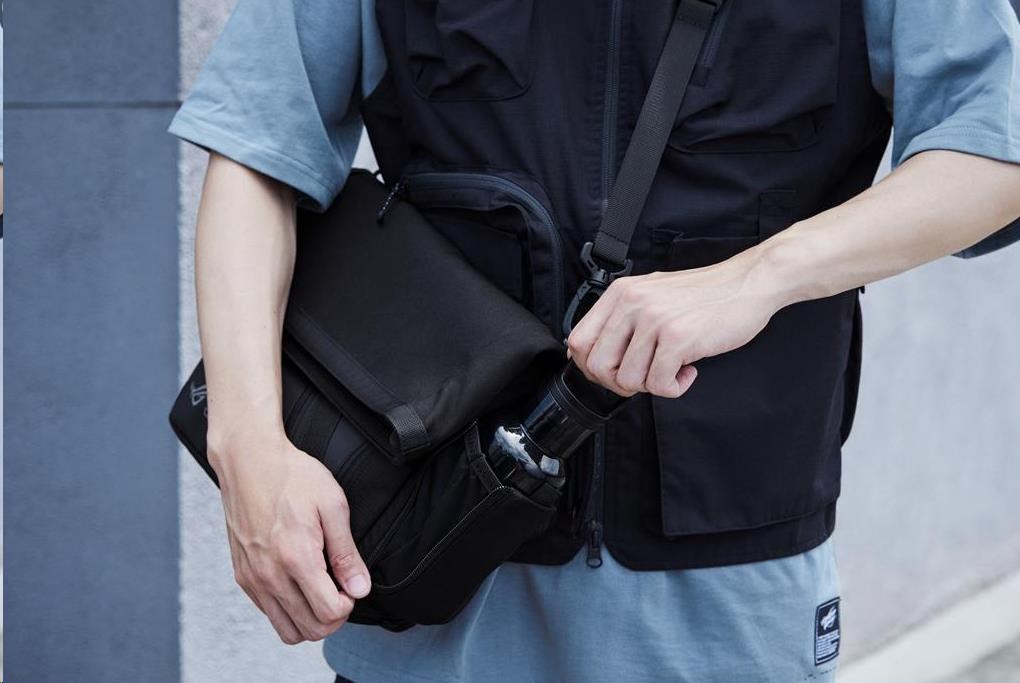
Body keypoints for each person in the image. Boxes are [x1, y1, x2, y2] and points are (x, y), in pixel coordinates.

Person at [168, 1, 1020, 680]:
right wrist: (249, 449)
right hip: (437, 562)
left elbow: (995, 153)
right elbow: (257, 150)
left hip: (727, 585)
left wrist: (760, 276)